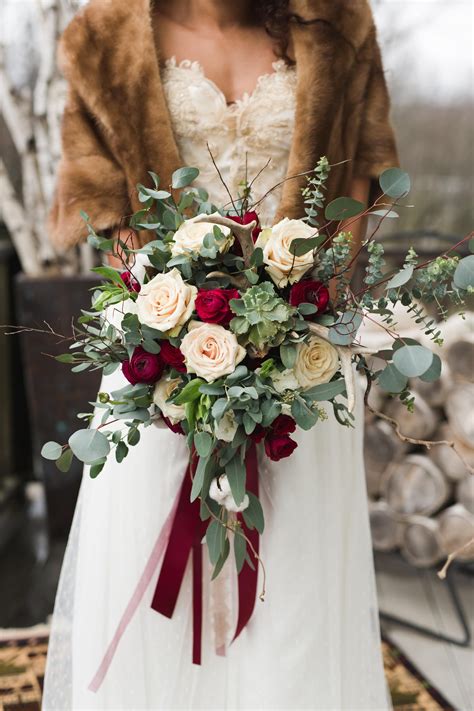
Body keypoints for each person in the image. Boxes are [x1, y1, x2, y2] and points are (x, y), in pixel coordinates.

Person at [43, 1, 399, 708]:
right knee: (153, 614)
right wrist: (177, 336)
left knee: (293, 601)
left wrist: (298, 321)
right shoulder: (101, 37)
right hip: (160, 365)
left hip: (306, 367)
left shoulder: (338, 21)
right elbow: (105, 214)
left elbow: (360, 187)